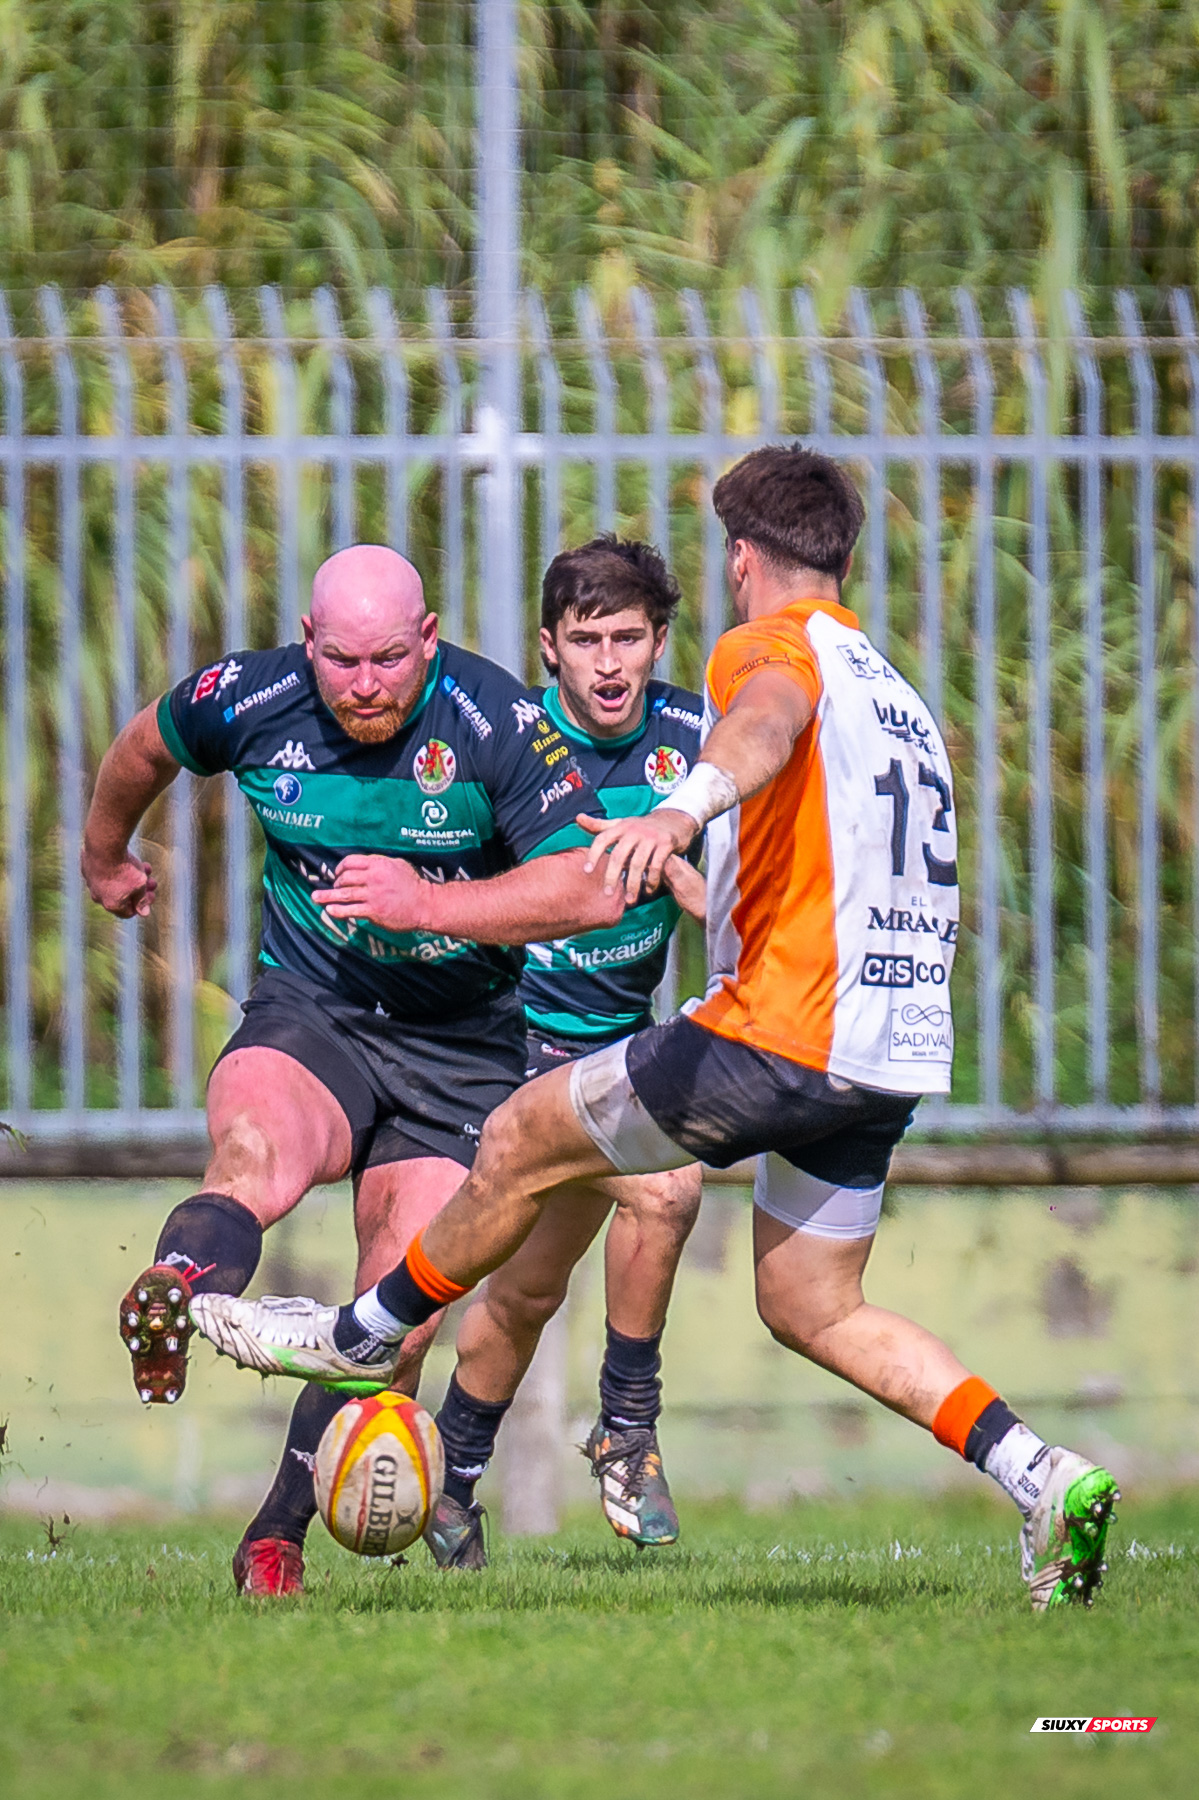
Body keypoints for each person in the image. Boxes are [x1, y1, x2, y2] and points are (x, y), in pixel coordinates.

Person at [192, 450, 1120, 1612]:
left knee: (524, 1134)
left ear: (742, 560)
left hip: (782, 1029)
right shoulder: (890, 685)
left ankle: (356, 1335)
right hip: (890, 1049)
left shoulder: (763, 652)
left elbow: (764, 725)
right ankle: (1042, 1474)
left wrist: (683, 803)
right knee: (810, 1306)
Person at [86, 543, 628, 1595]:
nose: (366, 684)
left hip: (461, 1051)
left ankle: (273, 1538)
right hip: (314, 1012)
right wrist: (104, 854)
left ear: (427, 639)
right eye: (342, 661)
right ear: (307, 642)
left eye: (389, 658)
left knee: (397, 1311)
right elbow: (146, 744)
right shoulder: (249, 697)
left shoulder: (493, 721)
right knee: (253, 1156)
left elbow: (589, 888)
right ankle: (173, 1293)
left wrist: (427, 905)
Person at [424, 537, 705, 1569]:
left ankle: (569, 1448)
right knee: (524, 1287)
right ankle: (482, 1472)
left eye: (626, 637)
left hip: (616, 1046)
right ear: (547, 648)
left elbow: (745, 901)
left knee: (632, 1216)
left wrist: (692, 886)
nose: (607, 663)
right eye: (583, 640)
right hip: (509, 1050)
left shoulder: (695, 739)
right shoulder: (505, 746)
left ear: (658, 640)